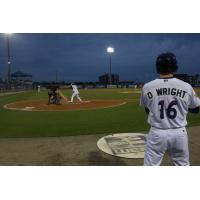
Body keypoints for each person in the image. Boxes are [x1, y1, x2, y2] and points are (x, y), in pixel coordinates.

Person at [140, 52, 200, 166]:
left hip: (157, 133)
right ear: (174, 66)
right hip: (179, 133)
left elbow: (148, 110)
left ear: (157, 67)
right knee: (182, 165)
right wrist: (181, 107)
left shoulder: (147, 87)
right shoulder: (186, 86)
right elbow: (196, 109)